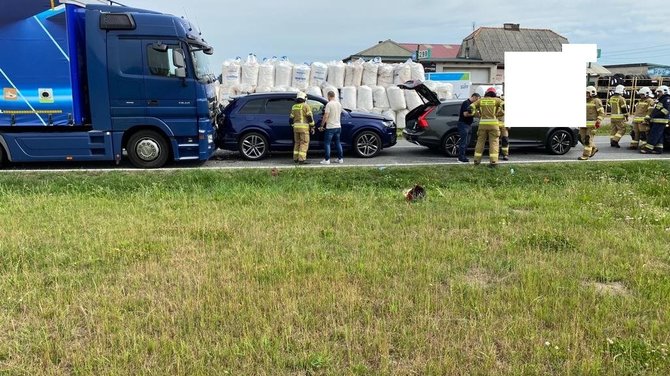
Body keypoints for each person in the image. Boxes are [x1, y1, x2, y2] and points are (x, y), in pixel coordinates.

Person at [470, 87, 503, 167]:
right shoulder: (496, 100)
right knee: (494, 143)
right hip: (493, 125)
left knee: (480, 142)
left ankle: (476, 161)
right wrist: (499, 113)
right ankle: (494, 162)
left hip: (482, 125)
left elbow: (471, 107)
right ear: (494, 93)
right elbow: (504, 105)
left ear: (486, 93)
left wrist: (476, 114)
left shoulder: (481, 100)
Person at [641, 85, 670, 154]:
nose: (658, 93)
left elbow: (666, 110)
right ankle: (658, 149)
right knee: (659, 135)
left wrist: (656, 115)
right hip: (657, 120)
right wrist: (651, 116)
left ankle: (648, 148)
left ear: (664, 92)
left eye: (659, 92)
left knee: (654, 134)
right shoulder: (662, 100)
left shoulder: (667, 99)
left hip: (660, 120)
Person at [579, 86, 604, 160]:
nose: (586, 94)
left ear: (592, 93)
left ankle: (586, 155)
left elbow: (601, 113)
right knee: (581, 138)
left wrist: (598, 120)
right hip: (583, 124)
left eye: (587, 93)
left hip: (592, 125)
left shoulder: (596, 101)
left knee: (588, 139)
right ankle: (594, 148)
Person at [289, 91, 315, 164]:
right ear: (304, 98)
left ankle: (295, 158)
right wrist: (312, 125)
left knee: (297, 143)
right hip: (304, 128)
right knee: (304, 143)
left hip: (296, 128)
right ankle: (301, 159)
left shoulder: (294, 106)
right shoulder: (306, 106)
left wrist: (293, 125)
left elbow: (291, 119)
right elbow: (309, 117)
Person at [319, 91, 344, 164]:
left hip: (330, 127)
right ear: (334, 96)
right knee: (338, 143)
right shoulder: (339, 104)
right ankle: (340, 159)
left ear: (329, 96)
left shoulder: (329, 104)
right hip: (338, 126)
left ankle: (327, 160)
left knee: (327, 143)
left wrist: (321, 125)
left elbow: (326, 116)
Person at [456, 92, 480, 163]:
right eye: (477, 100)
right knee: (463, 142)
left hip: (468, 125)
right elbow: (465, 114)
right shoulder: (466, 103)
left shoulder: (472, 104)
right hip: (463, 124)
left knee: (467, 142)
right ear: (474, 97)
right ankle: (461, 158)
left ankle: (462, 156)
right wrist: (475, 113)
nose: (477, 102)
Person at [496, 87, 509, 160]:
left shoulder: (504, 103)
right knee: (496, 141)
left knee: (505, 140)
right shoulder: (495, 103)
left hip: (503, 125)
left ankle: (505, 155)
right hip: (496, 125)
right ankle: (496, 154)